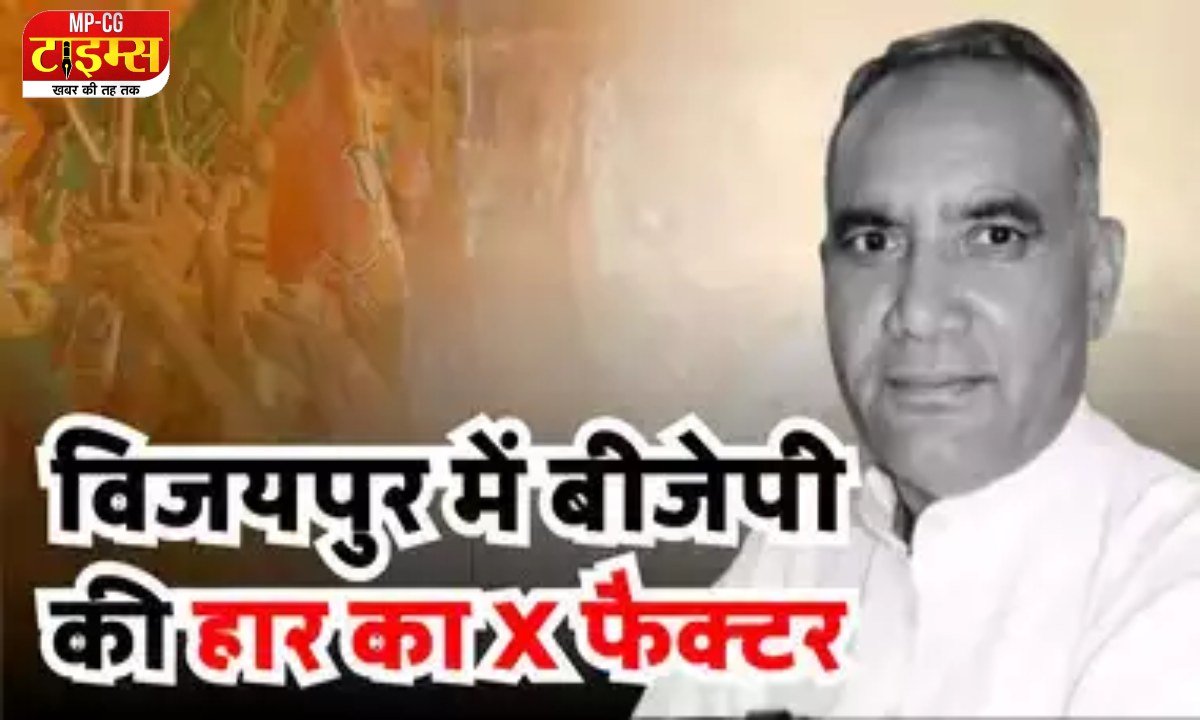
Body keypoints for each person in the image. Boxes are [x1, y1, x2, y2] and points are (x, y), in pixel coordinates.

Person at [634, 19, 1200, 718]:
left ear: (1100, 278)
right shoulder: (797, 552)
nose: (920, 311)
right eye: (874, 241)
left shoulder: (1171, 576)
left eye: (994, 237)